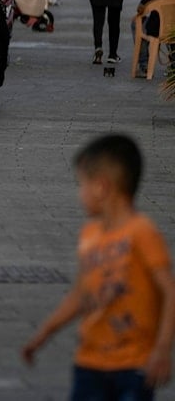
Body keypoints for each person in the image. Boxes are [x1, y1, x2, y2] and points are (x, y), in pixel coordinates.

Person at [22, 134, 175, 400]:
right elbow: (81, 295)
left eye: (82, 184)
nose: (79, 193)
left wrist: (162, 349)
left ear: (102, 187)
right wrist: (44, 333)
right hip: (89, 363)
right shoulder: (89, 234)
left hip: (133, 366)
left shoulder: (142, 233)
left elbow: (170, 291)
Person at [132, 0, 175, 78]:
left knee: (137, 23)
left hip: (157, 29)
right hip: (173, 29)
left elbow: (140, 8)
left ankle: (144, 65)